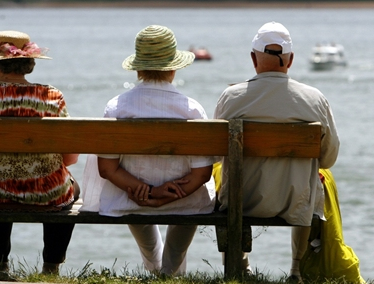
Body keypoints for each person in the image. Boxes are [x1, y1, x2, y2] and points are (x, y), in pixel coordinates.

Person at [214, 21, 363, 282]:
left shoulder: (232, 97)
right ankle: (295, 270)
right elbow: (328, 159)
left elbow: (214, 154)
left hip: (242, 200)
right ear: (290, 60)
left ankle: (240, 265)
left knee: (220, 173)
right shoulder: (314, 99)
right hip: (296, 202)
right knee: (316, 180)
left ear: (253, 58)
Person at [80, 25, 216, 276]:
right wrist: (169, 193)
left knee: (137, 204)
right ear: (174, 68)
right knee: (190, 208)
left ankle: (155, 266)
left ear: (138, 68)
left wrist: (149, 191)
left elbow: (107, 168)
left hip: (130, 195)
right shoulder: (192, 109)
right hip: (185, 198)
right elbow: (202, 174)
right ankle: (170, 271)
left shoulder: (117, 107)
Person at [0, 30, 80, 278]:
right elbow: (69, 159)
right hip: (44, 191)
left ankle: (0, 264)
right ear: (29, 63)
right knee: (70, 189)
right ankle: (51, 268)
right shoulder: (52, 96)